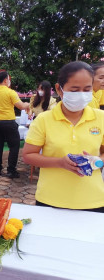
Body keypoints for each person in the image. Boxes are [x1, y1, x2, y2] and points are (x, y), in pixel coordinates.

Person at [22, 61, 104, 212]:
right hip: (51, 199)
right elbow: (28, 156)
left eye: (87, 89)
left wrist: (98, 161)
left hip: (93, 200)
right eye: (74, 90)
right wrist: (60, 162)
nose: (81, 94)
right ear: (59, 89)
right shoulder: (44, 120)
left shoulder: (101, 118)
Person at [0, 71, 30, 178]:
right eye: (9, 79)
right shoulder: (10, 92)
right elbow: (21, 106)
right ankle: (11, 170)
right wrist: (28, 104)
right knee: (14, 146)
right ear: (6, 80)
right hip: (8, 122)